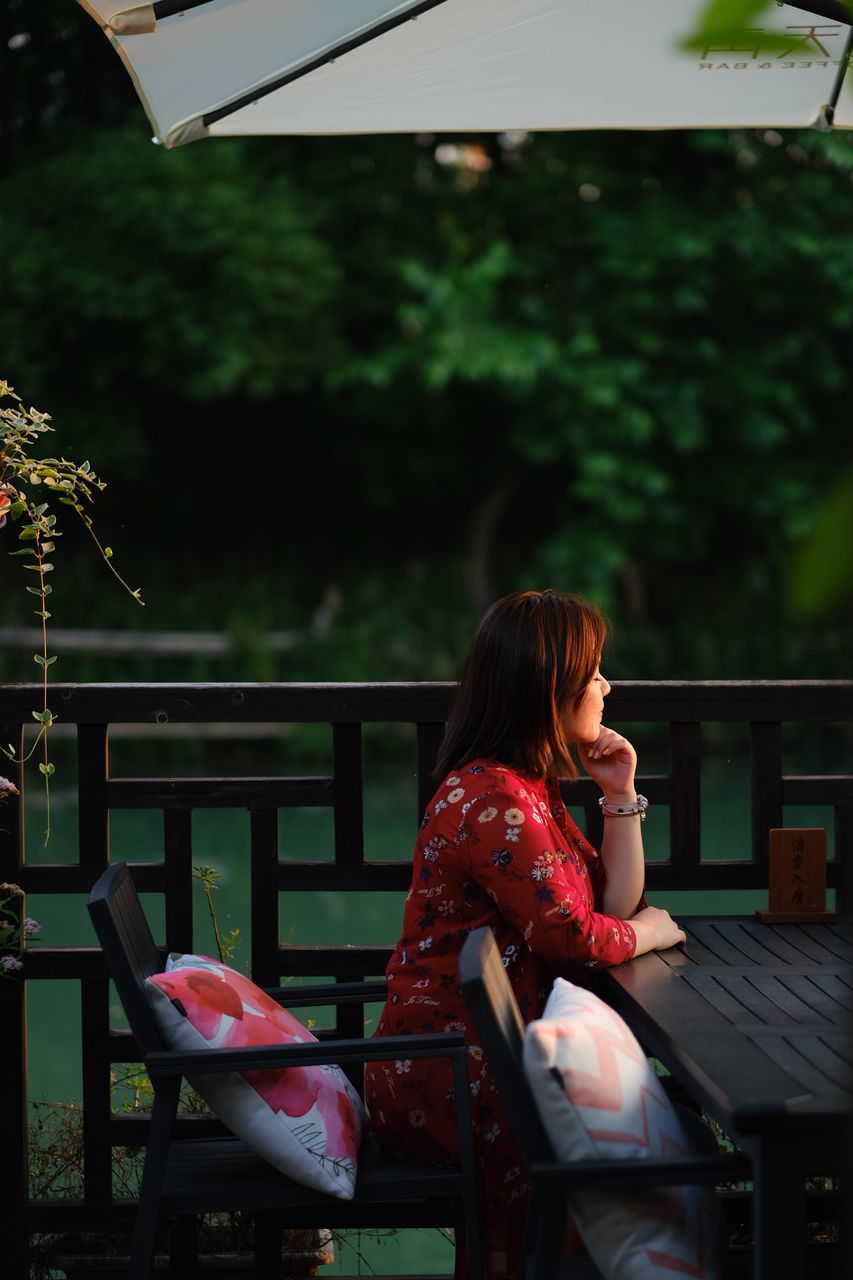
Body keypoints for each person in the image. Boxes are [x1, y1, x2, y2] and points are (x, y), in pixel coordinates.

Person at [365, 589, 685, 1280]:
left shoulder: (525, 787)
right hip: (448, 1073)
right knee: (613, 1136)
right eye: (593, 671)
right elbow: (575, 938)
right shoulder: (494, 799)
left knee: (622, 1126)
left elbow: (609, 902)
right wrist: (650, 934)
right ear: (549, 685)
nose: (605, 685)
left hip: (484, 1056)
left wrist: (619, 793)